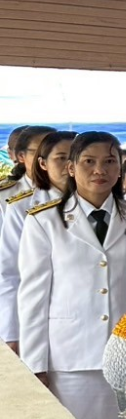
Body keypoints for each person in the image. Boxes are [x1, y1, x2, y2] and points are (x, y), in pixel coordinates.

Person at [17, 131, 126, 419]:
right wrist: (34, 364)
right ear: (71, 168)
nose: (99, 170)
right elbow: (33, 297)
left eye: (109, 161)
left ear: (120, 168)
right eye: (88, 161)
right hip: (71, 357)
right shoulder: (44, 220)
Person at [1, 129, 73, 354]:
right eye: (60, 157)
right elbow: (9, 272)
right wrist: (11, 332)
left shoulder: (101, 200)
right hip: (36, 317)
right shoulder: (19, 205)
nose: (68, 165)